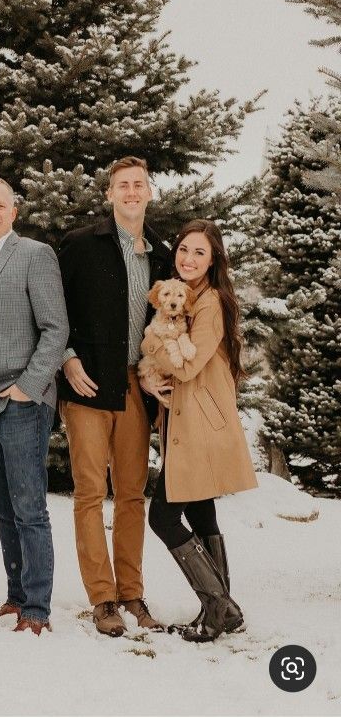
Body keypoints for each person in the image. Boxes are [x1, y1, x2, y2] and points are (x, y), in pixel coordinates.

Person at [58, 156, 172, 637]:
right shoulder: (81, 246)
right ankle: (102, 598)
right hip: (88, 380)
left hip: (136, 383)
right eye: (122, 185)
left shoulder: (162, 254)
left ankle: (132, 593)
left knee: (131, 493)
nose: (131, 192)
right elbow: (52, 307)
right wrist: (67, 358)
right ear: (109, 194)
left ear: (149, 193)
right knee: (89, 492)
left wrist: (157, 373)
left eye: (138, 185)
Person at [141, 219, 257, 642]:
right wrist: (149, 378)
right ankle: (217, 607)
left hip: (201, 424)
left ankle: (220, 606)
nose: (189, 259)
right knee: (200, 510)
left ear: (214, 260)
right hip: (192, 420)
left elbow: (188, 365)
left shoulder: (209, 304)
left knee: (164, 516)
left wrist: (151, 346)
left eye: (199, 253)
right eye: (184, 250)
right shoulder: (191, 299)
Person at [0, 175, 69, 636]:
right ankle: (15, 594)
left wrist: (29, 385)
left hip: (21, 400)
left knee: (29, 507)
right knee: (1, 504)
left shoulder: (33, 255)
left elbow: (55, 328)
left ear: (13, 212)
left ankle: (37, 608)